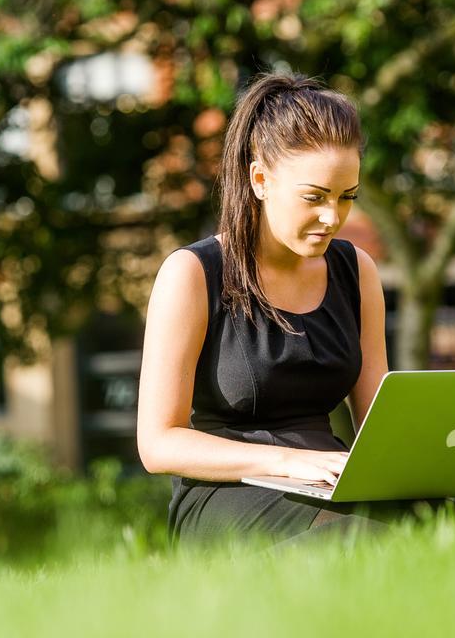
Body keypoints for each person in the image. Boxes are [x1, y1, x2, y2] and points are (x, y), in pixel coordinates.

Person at [136, 71, 391, 549]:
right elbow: (158, 443)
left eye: (347, 197)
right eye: (314, 197)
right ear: (260, 179)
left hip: (327, 482)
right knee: (360, 539)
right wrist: (289, 462)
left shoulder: (358, 271)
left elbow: (382, 422)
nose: (332, 217)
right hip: (227, 495)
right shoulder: (192, 274)